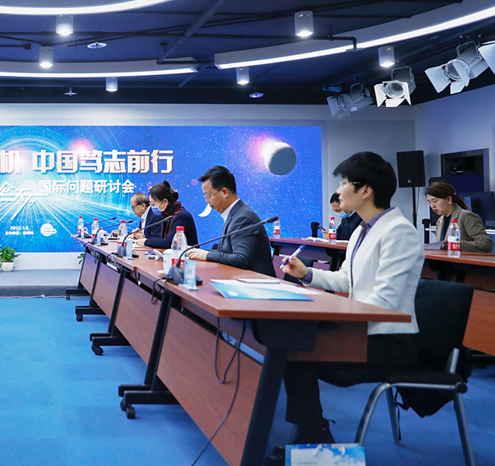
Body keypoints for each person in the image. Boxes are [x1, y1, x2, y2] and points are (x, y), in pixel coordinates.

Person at [267, 152, 424, 462]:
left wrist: (333, 317)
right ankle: (313, 436)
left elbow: (385, 302)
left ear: (366, 190)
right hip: (364, 330)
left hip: (391, 340)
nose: (338, 191)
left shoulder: (399, 231)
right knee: (290, 348)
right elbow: (347, 280)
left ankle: (314, 438)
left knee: (295, 351)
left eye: (344, 183)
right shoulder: (360, 230)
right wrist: (307, 274)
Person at [186, 166, 275, 277]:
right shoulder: (235, 214)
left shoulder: (243, 218)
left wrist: (207, 255)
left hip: (256, 284)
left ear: (224, 192)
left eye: (208, 196)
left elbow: (241, 259)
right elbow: (226, 254)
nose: (207, 201)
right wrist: (196, 252)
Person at [427, 181, 493, 253]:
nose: (432, 206)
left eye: (435, 201)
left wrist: (455, 245)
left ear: (449, 199)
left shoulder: (466, 216)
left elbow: (486, 244)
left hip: (465, 259)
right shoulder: (440, 221)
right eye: (429, 202)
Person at [133, 181, 197, 249]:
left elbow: (169, 243)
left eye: (153, 204)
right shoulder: (167, 215)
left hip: (187, 255)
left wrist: (145, 242)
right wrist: (144, 237)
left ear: (165, 202)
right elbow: (161, 240)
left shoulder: (181, 216)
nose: (152, 207)